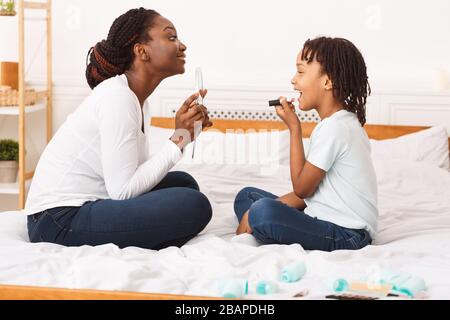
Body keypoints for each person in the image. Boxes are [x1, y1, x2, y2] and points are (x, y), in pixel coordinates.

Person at [25, 7, 213, 250]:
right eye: (171, 37)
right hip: (57, 220)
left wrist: (184, 133)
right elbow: (123, 191)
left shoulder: (136, 100)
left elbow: (133, 176)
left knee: (184, 184)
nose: (182, 45)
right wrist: (179, 140)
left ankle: (143, 237)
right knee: (194, 205)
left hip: (91, 202)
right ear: (141, 51)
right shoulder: (118, 97)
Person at [233, 37, 378, 251]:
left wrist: (294, 128)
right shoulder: (340, 122)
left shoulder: (335, 129)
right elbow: (312, 193)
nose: (293, 80)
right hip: (325, 214)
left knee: (262, 211)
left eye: (300, 72)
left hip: (348, 234)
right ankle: (268, 224)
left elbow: (302, 189)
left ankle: (264, 224)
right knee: (247, 196)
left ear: (327, 82)